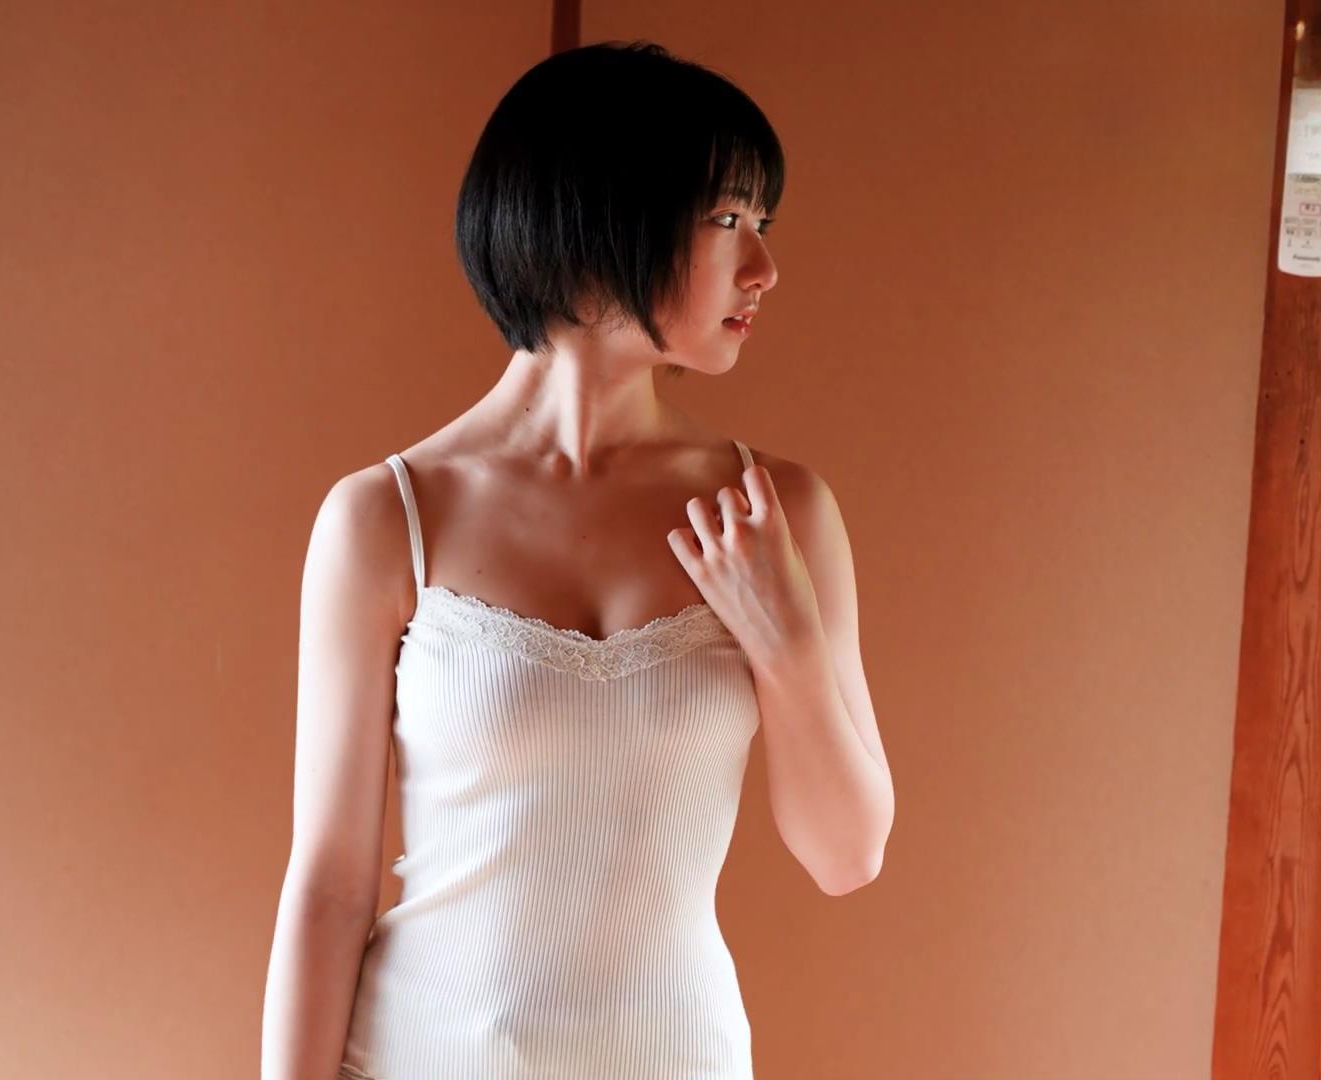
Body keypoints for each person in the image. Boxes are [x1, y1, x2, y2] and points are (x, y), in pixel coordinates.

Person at [261, 40, 894, 1080]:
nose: (764, 267)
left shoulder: (777, 515)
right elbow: (330, 888)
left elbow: (847, 855)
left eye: (763, 224)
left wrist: (786, 644)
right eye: (727, 219)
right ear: (603, 218)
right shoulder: (385, 519)